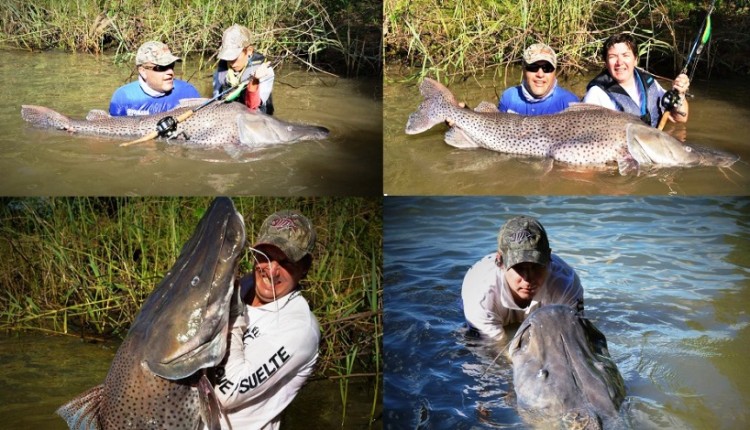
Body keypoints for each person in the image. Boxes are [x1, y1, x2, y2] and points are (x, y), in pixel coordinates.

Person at [209, 210, 320, 429]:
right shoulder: (246, 285)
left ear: (304, 266)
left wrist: (233, 313)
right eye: (264, 256)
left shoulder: (299, 329)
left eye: (286, 262)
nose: (271, 270)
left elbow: (229, 393)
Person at [461, 215, 584, 341]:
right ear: (500, 262)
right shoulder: (481, 295)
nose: (528, 279)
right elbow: (493, 350)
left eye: (536, 266)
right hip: (483, 307)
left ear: (549, 258)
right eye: (519, 268)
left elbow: (572, 338)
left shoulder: (566, 283)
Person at [583, 33, 690, 128]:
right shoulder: (596, 94)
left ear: (635, 60)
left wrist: (680, 94)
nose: (619, 62)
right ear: (606, 63)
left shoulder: (649, 83)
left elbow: (680, 119)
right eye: (613, 56)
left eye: (625, 55)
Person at [109, 41, 200, 116]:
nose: (170, 72)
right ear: (143, 71)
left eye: (171, 66)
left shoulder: (188, 92)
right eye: (161, 67)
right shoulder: (123, 97)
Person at [498, 43, 579, 115]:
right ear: (523, 69)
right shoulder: (509, 98)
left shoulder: (570, 103)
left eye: (547, 68)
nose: (540, 75)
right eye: (533, 67)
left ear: (554, 71)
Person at [213, 24, 275, 115]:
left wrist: (255, 81)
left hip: (257, 116)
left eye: (235, 57)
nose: (232, 63)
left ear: (249, 51)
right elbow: (216, 99)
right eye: (228, 58)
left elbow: (253, 107)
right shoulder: (221, 69)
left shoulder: (265, 71)